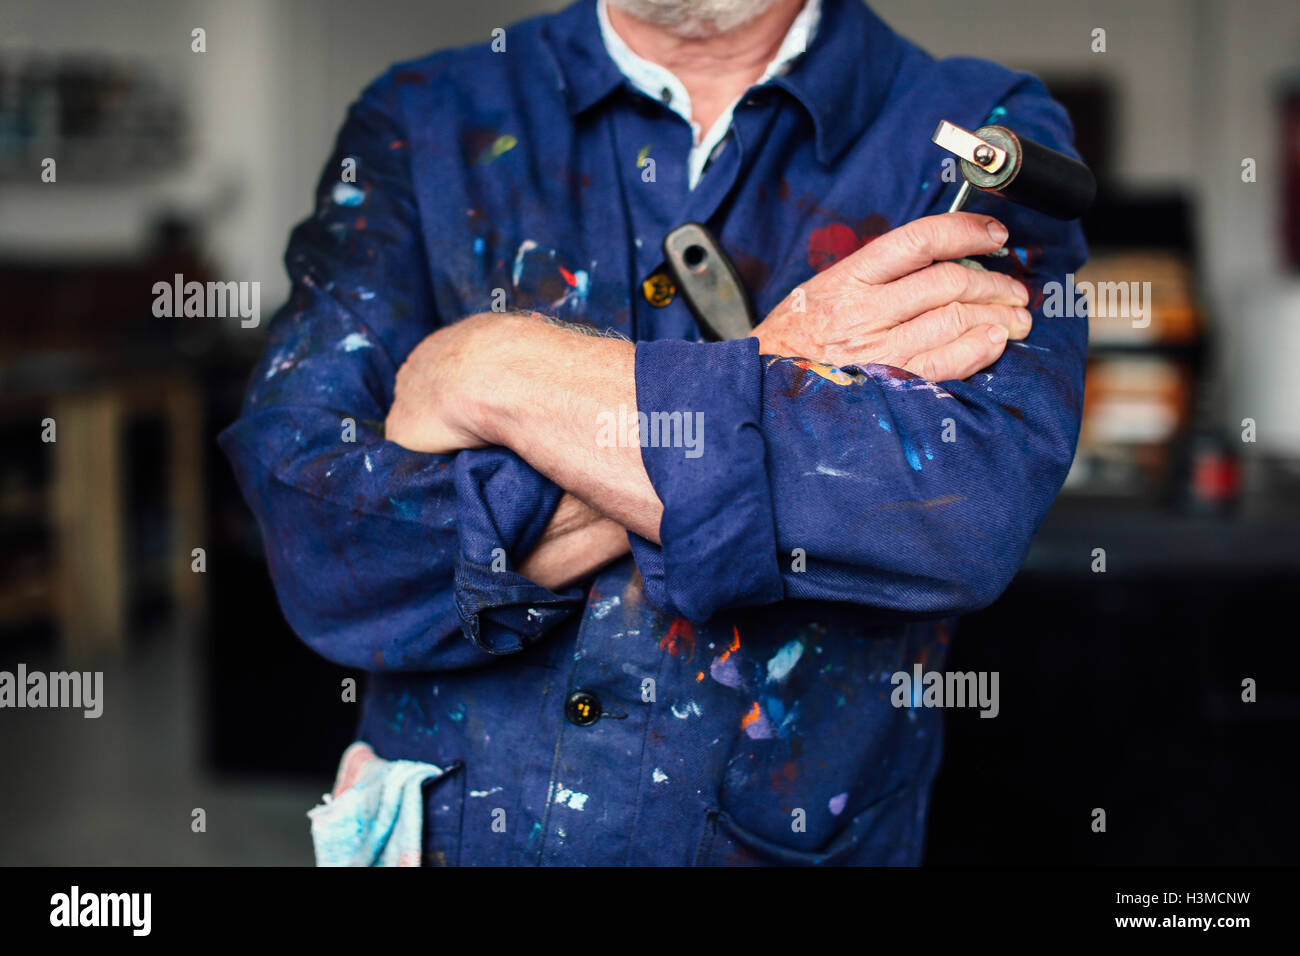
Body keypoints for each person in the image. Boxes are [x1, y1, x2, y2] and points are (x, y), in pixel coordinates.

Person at [221, 0, 1087, 865]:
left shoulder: (980, 127)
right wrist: (778, 367)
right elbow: (320, 534)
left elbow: (957, 511)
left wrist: (495, 369)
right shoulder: (421, 114)